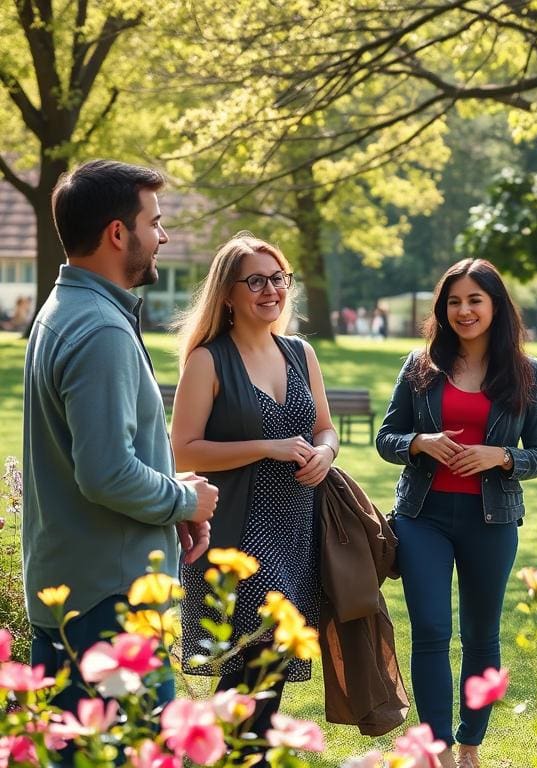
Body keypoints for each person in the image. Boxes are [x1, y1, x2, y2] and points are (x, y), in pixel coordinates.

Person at [22, 159, 218, 716]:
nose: (163, 236)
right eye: (154, 222)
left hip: (76, 590)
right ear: (117, 233)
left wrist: (166, 493)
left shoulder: (65, 311)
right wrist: (184, 499)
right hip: (109, 604)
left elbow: (100, 457)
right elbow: (106, 472)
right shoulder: (100, 328)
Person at [376, 258, 537, 768]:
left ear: (496, 306)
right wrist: (419, 442)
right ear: (442, 309)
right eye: (454, 301)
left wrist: (503, 457)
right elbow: (386, 439)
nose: (464, 310)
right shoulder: (420, 366)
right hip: (422, 516)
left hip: (490, 521)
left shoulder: (527, 372)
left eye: (475, 300)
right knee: (430, 629)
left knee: (480, 634)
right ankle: (437, 750)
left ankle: (470, 741)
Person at [171, 232, 338, 738]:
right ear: (228, 293)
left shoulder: (299, 353)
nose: (272, 291)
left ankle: (237, 753)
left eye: (279, 279)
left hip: (295, 530)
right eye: (257, 281)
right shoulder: (208, 360)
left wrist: (326, 453)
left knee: (270, 671)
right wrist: (268, 446)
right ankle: (225, 751)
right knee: (250, 670)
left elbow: (324, 427)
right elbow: (184, 449)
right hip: (236, 534)